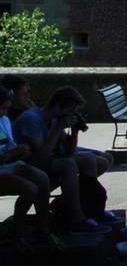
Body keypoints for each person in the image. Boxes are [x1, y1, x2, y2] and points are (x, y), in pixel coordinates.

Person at [12, 87, 112, 234]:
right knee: (68, 165)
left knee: (90, 160)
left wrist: (75, 131)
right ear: (58, 107)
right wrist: (58, 128)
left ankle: (92, 209)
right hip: (29, 162)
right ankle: (77, 219)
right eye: (70, 110)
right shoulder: (32, 119)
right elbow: (42, 156)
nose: (71, 114)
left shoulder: (55, 119)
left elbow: (68, 152)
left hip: (49, 159)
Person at [0, 85, 58, 251]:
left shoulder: (3, 120)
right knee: (30, 188)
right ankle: (15, 233)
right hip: (3, 165)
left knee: (42, 179)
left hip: (8, 163)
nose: (5, 113)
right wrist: (11, 155)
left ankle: (43, 228)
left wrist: (19, 152)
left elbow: (9, 146)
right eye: (2, 108)